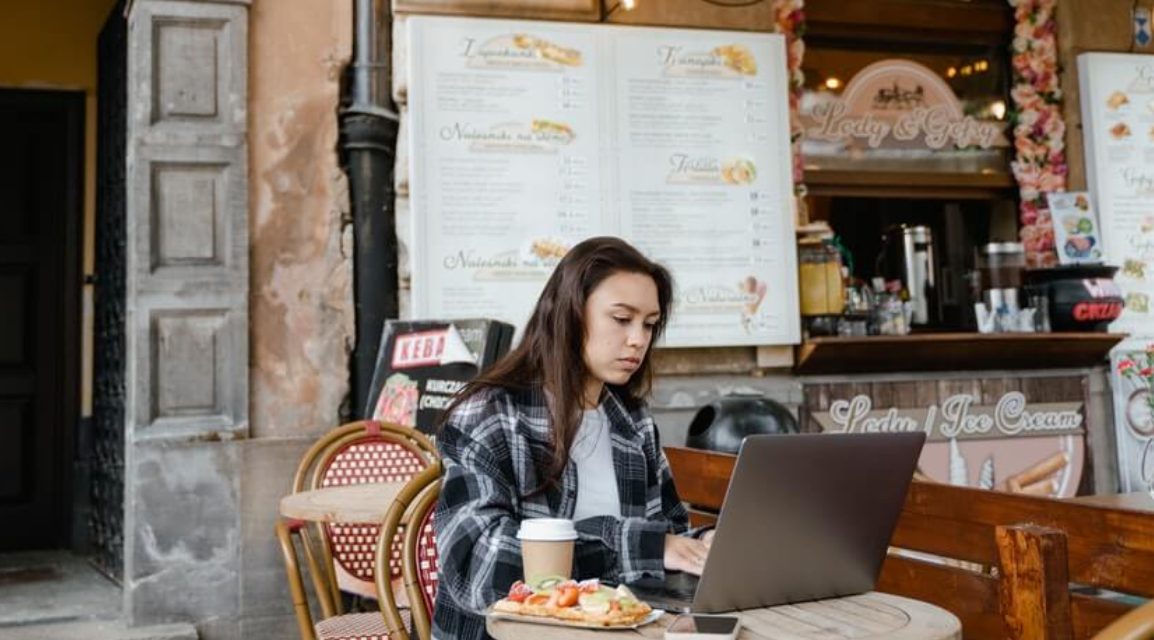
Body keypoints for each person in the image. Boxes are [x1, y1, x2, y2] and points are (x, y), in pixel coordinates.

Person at [432, 236, 713, 640]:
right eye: (621, 319)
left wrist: (705, 544)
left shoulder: (632, 422)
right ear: (569, 314)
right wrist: (636, 545)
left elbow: (667, 533)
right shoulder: (491, 413)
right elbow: (480, 566)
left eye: (649, 324)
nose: (638, 339)